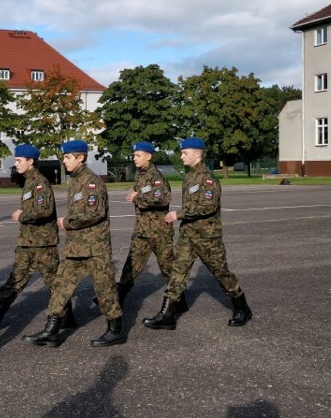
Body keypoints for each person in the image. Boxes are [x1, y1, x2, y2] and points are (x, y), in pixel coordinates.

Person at [23, 140, 125, 348]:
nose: (64, 161)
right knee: (60, 287)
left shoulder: (91, 182)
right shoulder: (76, 181)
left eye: (68, 157)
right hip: (75, 248)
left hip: (95, 248)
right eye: (64, 157)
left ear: (81, 158)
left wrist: (67, 222)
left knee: (105, 290)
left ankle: (115, 330)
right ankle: (51, 330)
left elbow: (95, 213)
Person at [144, 137, 252, 330]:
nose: (181, 156)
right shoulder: (190, 176)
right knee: (177, 272)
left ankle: (242, 307)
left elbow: (208, 207)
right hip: (188, 235)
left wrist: (179, 214)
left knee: (221, 274)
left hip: (207, 237)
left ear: (198, 154)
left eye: (185, 153)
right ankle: (167, 314)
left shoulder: (208, 178)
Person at [0, 144, 76, 329]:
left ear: (31, 161)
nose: (16, 163)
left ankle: (67, 317)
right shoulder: (28, 181)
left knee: (54, 282)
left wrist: (22, 216)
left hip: (43, 243)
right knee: (16, 278)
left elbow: (44, 211)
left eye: (19, 160)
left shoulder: (39, 183)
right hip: (29, 242)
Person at [116, 141, 176, 307]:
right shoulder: (140, 175)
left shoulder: (155, 177)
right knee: (131, 266)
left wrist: (137, 198)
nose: (134, 158)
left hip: (159, 232)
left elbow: (162, 199)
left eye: (138, 155)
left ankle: (178, 301)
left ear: (149, 156)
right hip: (142, 231)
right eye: (134, 155)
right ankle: (117, 299)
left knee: (168, 269)